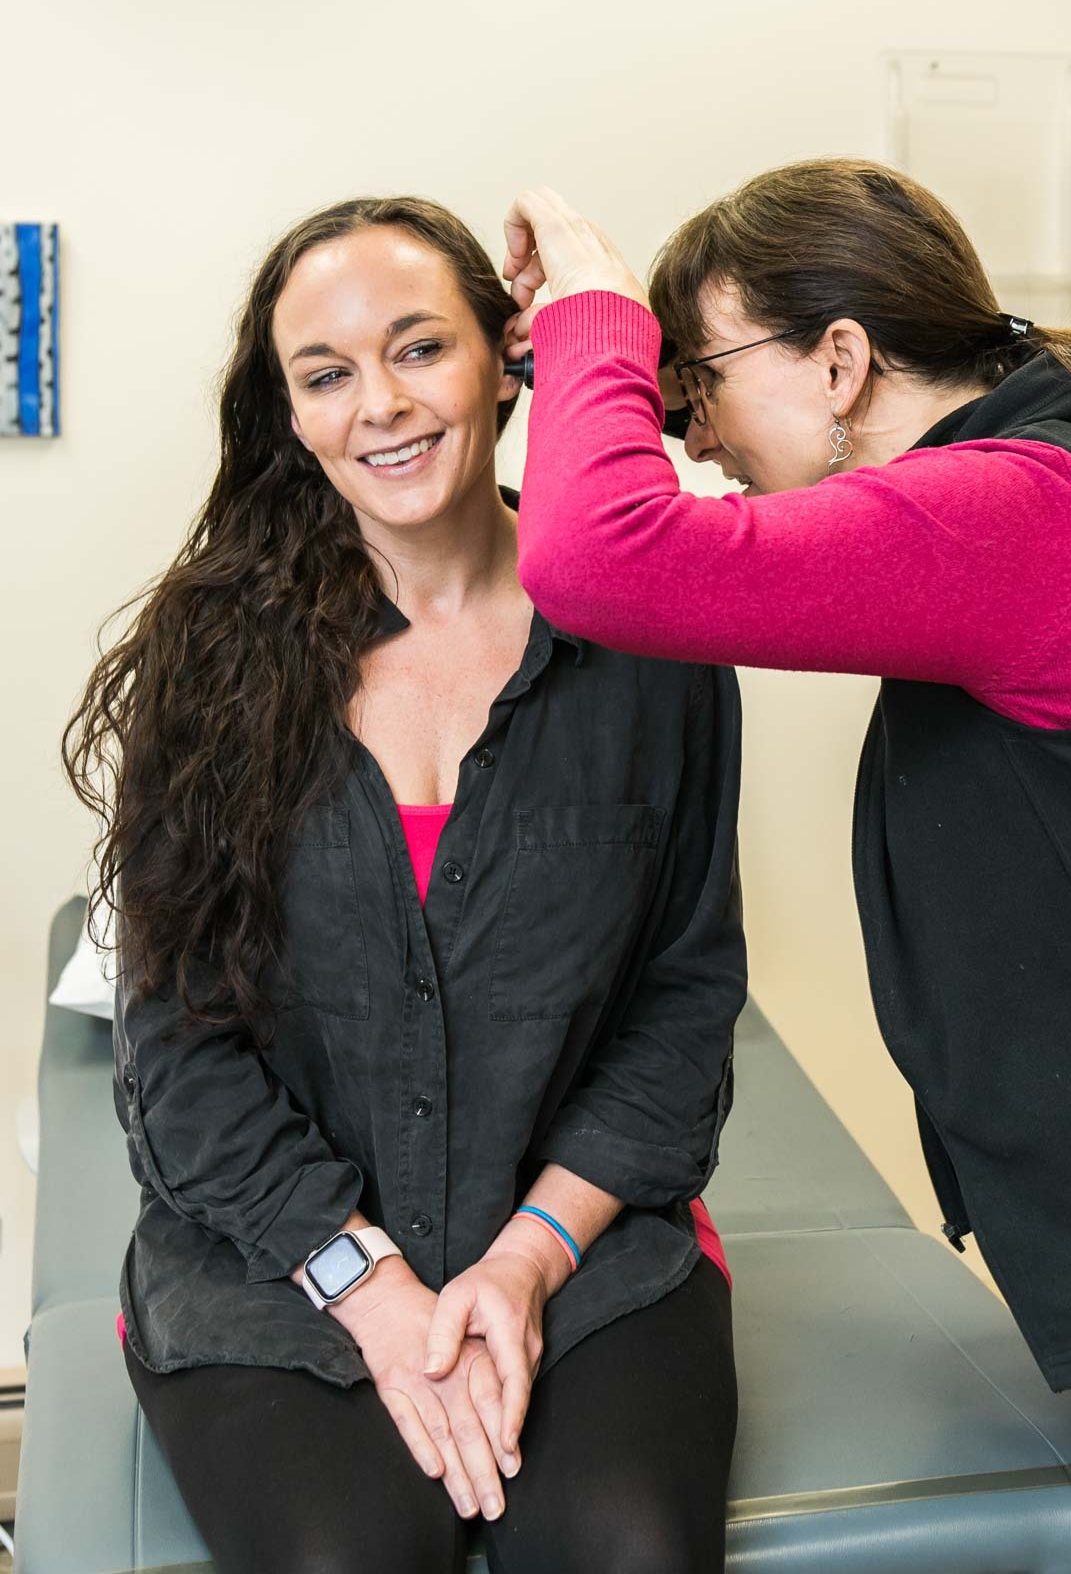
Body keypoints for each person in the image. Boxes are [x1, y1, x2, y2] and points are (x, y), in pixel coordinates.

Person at [497, 163, 1071, 1573]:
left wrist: (597, 321)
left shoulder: (1015, 512)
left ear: (842, 360)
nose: (692, 437)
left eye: (700, 387)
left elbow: (602, 555)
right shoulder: (1061, 482)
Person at [64, 196, 745, 1574]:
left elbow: (683, 999)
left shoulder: (649, 630)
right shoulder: (212, 650)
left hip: (579, 1244)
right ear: (292, 415)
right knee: (348, 1561)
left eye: (419, 348)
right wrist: (367, 1285)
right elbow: (179, 1045)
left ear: (509, 356)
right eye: (327, 375)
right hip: (276, 1258)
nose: (379, 404)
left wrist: (526, 1263)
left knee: (629, 1550)